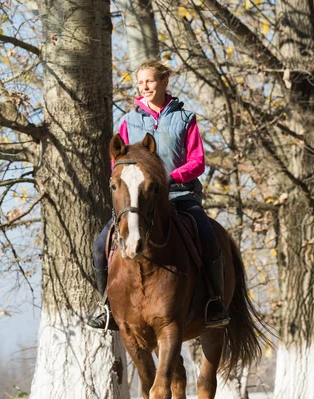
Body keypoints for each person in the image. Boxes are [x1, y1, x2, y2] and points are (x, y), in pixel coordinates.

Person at [87, 60, 229, 330]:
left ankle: (215, 302)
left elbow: (197, 161)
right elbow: (118, 162)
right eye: (140, 82)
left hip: (180, 195)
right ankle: (105, 305)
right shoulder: (129, 121)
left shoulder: (185, 119)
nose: (145, 87)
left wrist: (169, 178)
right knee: (99, 246)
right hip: (139, 201)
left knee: (209, 238)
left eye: (150, 81)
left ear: (164, 82)